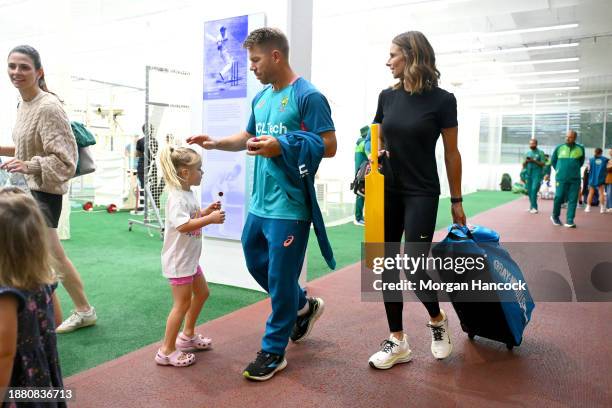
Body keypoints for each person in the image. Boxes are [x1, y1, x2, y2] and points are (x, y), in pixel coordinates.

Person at [188, 27, 337, 381]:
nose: (251, 67)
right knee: (256, 262)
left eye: (255, 60)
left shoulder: (308, 96)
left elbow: (329, 145)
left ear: (275, 56)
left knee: (280, 276)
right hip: (259, 202)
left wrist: (282, 145)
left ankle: (273, 350)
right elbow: (249, 136)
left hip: (290, 206)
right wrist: (216, 142)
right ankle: (301, 305)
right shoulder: (261, 97)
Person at [367, 31, 466, 370]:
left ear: (412, 56)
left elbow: (452, 154)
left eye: (393, 54)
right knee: (387, 264)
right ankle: (397, 340)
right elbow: (374, 138)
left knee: (413, 264)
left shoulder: (443, 100)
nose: (388, 60)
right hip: (389, 190)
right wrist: (374, 154)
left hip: (422, 191)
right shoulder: (386, 97)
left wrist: (456, 200)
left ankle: (437, 320)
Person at [0, 45, 97, 333]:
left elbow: (66, 161)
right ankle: (54, 315)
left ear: (39, 72)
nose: (16, 72)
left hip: (44, 192)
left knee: (51, 256)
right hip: (27, 189)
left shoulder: (49, 107)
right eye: (12, 66)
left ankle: (81, 311)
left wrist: (28, 166)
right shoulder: (23, 105)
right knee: (42, 256)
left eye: (24, 67)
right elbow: (26, 147)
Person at [155, 146, 225, 367]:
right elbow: (184, 225)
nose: (201, 173)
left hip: (189, 260)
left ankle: (187, 336)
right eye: (198, 169)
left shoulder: (188, 193)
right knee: (181, 305)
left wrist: (205, 212)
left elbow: (190, 217)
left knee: (202, 293)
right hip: (179, 262)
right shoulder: (176, 197)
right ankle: (166, 351)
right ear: (185, 173)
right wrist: (210, 219)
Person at [0, 187, 66, 406]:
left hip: (20, 382)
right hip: (43, 374)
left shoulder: (7, 292)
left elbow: (5, 353)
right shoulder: (44, 277)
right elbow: (56, 320)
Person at [550, 130, 585, 228]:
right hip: (561, 178)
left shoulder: (580, 148)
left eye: (570, 137)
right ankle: (555, 216)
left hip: (575, 178)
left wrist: (573, 170)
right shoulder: (559, 148)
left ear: (574, 138)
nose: (567, 138)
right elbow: (553, 161)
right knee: (559, 196)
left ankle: (570, 220)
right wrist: (559, 170)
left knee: (573, 199)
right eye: (566, 136)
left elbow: (580, 162)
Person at [354, 125, 371, 226]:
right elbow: (370, 154)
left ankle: (360, 216)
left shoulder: (359, 143)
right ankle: (358, 217)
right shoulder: (364, 143)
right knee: (361, 193)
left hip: (360, 171)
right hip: (362, 173)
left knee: (360, 193)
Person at [523, 138, 546, 213]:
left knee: (534, 190)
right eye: (530, 144)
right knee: (529, 191)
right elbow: (523, 165)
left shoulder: (540, 152)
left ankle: (535, 208)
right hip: (528, 174)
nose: (531, 145)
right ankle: (531, 206)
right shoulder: (527, 153)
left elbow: (543, 164)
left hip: (537, 174)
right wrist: (526, 162)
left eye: (532, 143)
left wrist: (533, 160)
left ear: (536, 144)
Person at [585, 148, 609, 213]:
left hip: (592, 178)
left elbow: (588, 169)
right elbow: (609, 166)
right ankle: (602, 208)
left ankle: (588, 207)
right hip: (601, 178)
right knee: (601, 193)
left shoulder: (590, 160)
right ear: (601, 152)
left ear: (595, 152)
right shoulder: (605, 159)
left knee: (590, 193)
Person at [606, 148, 612, 212]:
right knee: (609, 193)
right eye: (610, 152)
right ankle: (609, 206)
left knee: (609, 193)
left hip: (609, 178)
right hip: (610, 179)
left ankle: (609, 206)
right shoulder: (609, 160)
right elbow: (607, 169)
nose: (610, 153)